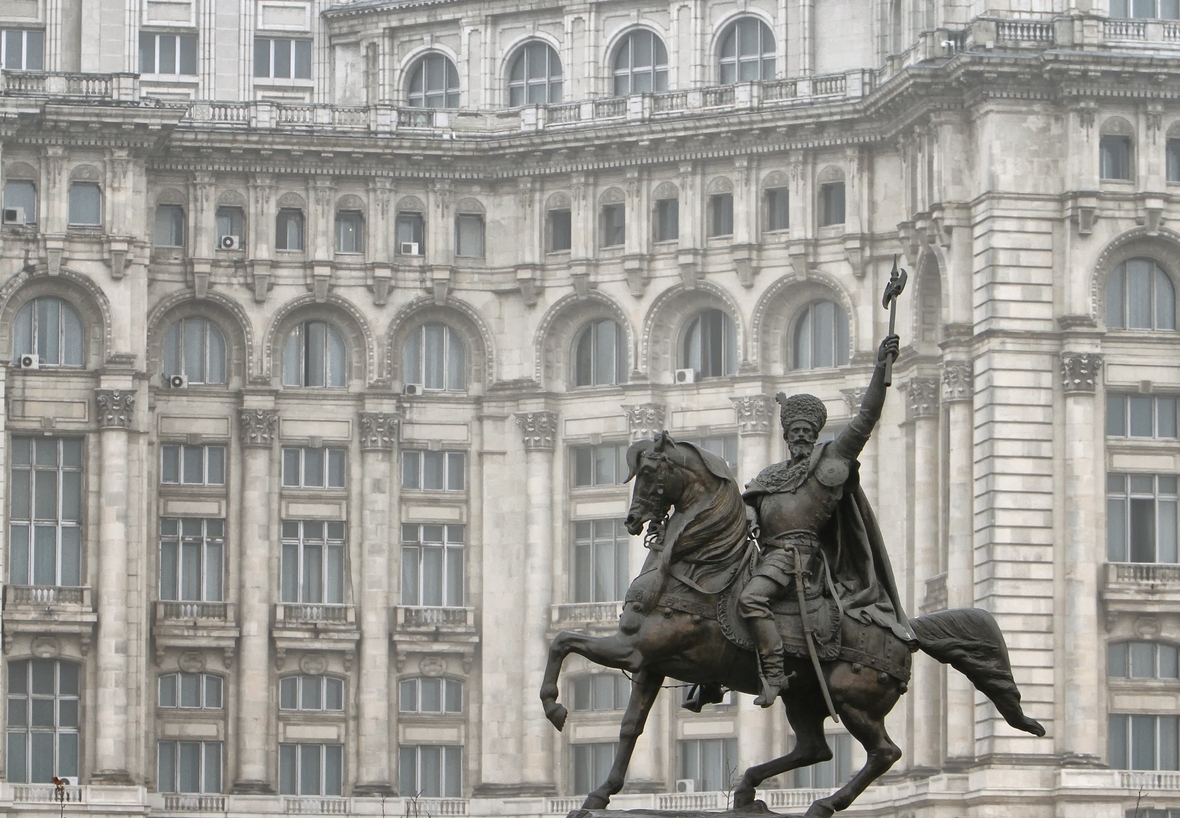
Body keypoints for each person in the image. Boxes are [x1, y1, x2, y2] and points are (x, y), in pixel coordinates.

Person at [739, 333, 916, 707]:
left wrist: (881, 369)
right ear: (786, 436)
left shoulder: (830, 462)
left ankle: (773, 674)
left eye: (807, 431)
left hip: (798, 559)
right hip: (761, 555)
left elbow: (867, 416)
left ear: (815, 433)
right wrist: (752, 515)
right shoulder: (771, 475)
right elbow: (749, 502)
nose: (801, 437)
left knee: (752, 600)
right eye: (795, 432)